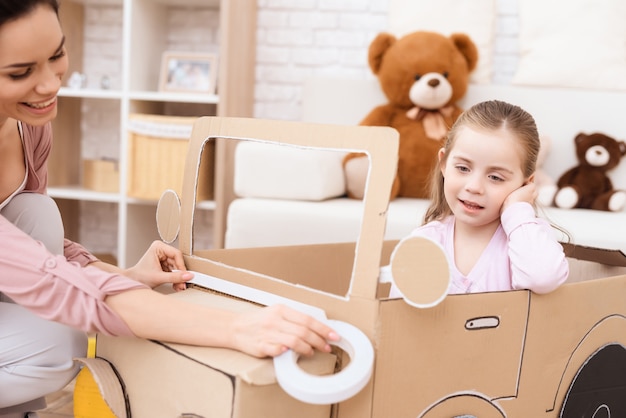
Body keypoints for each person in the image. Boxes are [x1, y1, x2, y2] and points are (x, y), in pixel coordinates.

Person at [0, 1, 338, 416]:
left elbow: (34, 254)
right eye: (20, 73)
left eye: (56, 56)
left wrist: (124, 277)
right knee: (58, 341)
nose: (50, 84)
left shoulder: (28, 127)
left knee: (37, 213)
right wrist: (237, 328)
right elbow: (50, 283)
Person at [388, 100, 569, 297]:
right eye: (463, 168)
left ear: (526, 184)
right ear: (444, 164)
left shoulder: (528, 238)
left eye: (495, 177)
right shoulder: (425, 242)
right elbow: (399, 319)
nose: (474, 187)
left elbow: (543, 278)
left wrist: (517, 210)